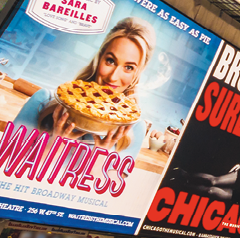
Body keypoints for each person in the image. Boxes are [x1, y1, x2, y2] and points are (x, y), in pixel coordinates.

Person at [12, 17, 153, 159]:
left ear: (138, 73)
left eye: (129, 67)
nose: (113, 77)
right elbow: (5, 165)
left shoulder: (134, 129)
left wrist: (99, 157)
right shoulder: (42, 101)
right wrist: (55, 145)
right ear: (100, 58)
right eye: (110, 61)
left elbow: (110, 181)